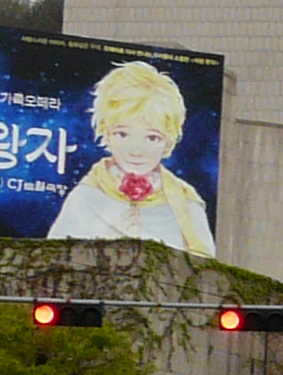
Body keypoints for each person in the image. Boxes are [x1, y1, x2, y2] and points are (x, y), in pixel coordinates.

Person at [47, 60, 217, 254]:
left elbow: (204, 269)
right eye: (122, 134)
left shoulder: (186, 204)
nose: (136, 150)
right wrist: (107, 241)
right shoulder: (86, 197)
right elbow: (54, 262)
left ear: (168, 141)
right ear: (106, 133)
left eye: (152, 138)